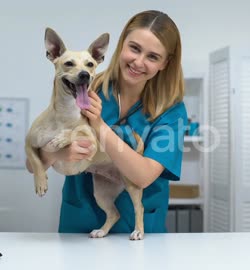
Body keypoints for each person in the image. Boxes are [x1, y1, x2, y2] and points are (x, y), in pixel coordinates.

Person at [28, 10, 187, 233]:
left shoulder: (172, 111)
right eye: (134, 48)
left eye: (153, 57)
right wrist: (57, 153)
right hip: (80, 223)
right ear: (122, 44)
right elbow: (33, 163)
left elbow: (142, 176)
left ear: (165, 63)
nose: (138, 62)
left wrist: (99, 126)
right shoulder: (82, 87)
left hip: (142, 230)